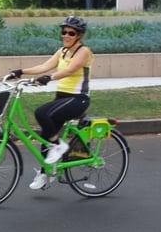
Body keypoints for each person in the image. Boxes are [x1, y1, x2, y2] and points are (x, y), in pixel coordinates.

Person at [7, 16, 95, 190]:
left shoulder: (84, 51)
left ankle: (59, 146)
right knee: (46, 134)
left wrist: (49, 78)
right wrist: (20, 72)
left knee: (41, 113)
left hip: (78, 99)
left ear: (79, 35)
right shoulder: (62, 51)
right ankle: (46, 173)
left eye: (71, 33)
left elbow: (70, 70)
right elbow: (44, 66)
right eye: (64, 32)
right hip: (62, 98)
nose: (66, 35)